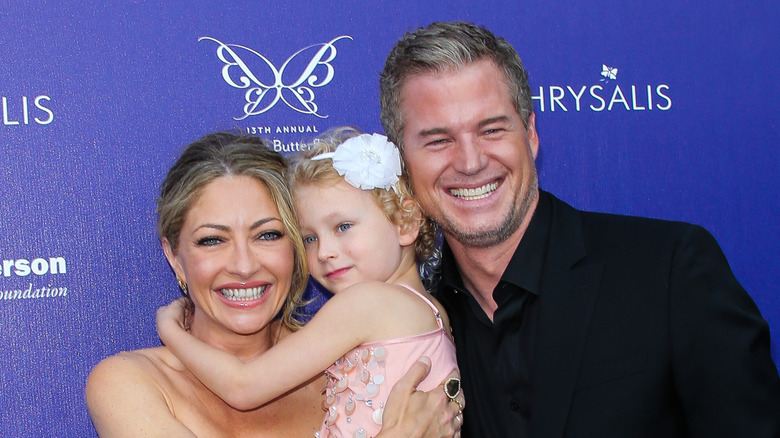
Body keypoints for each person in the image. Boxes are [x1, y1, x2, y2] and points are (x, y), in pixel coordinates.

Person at [379, 21, 780, 438]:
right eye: (438, 140)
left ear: (531, 134)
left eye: (492, 129)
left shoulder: (669, 270)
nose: (470, 161)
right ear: (403, 164)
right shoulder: (409, 330)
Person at [85, 131, 461, 437]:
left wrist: (170, 329)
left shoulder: (337, 367)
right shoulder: (129, 384)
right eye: (212, 240)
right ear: (173, 256)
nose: (244, 266)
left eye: (267, 235)